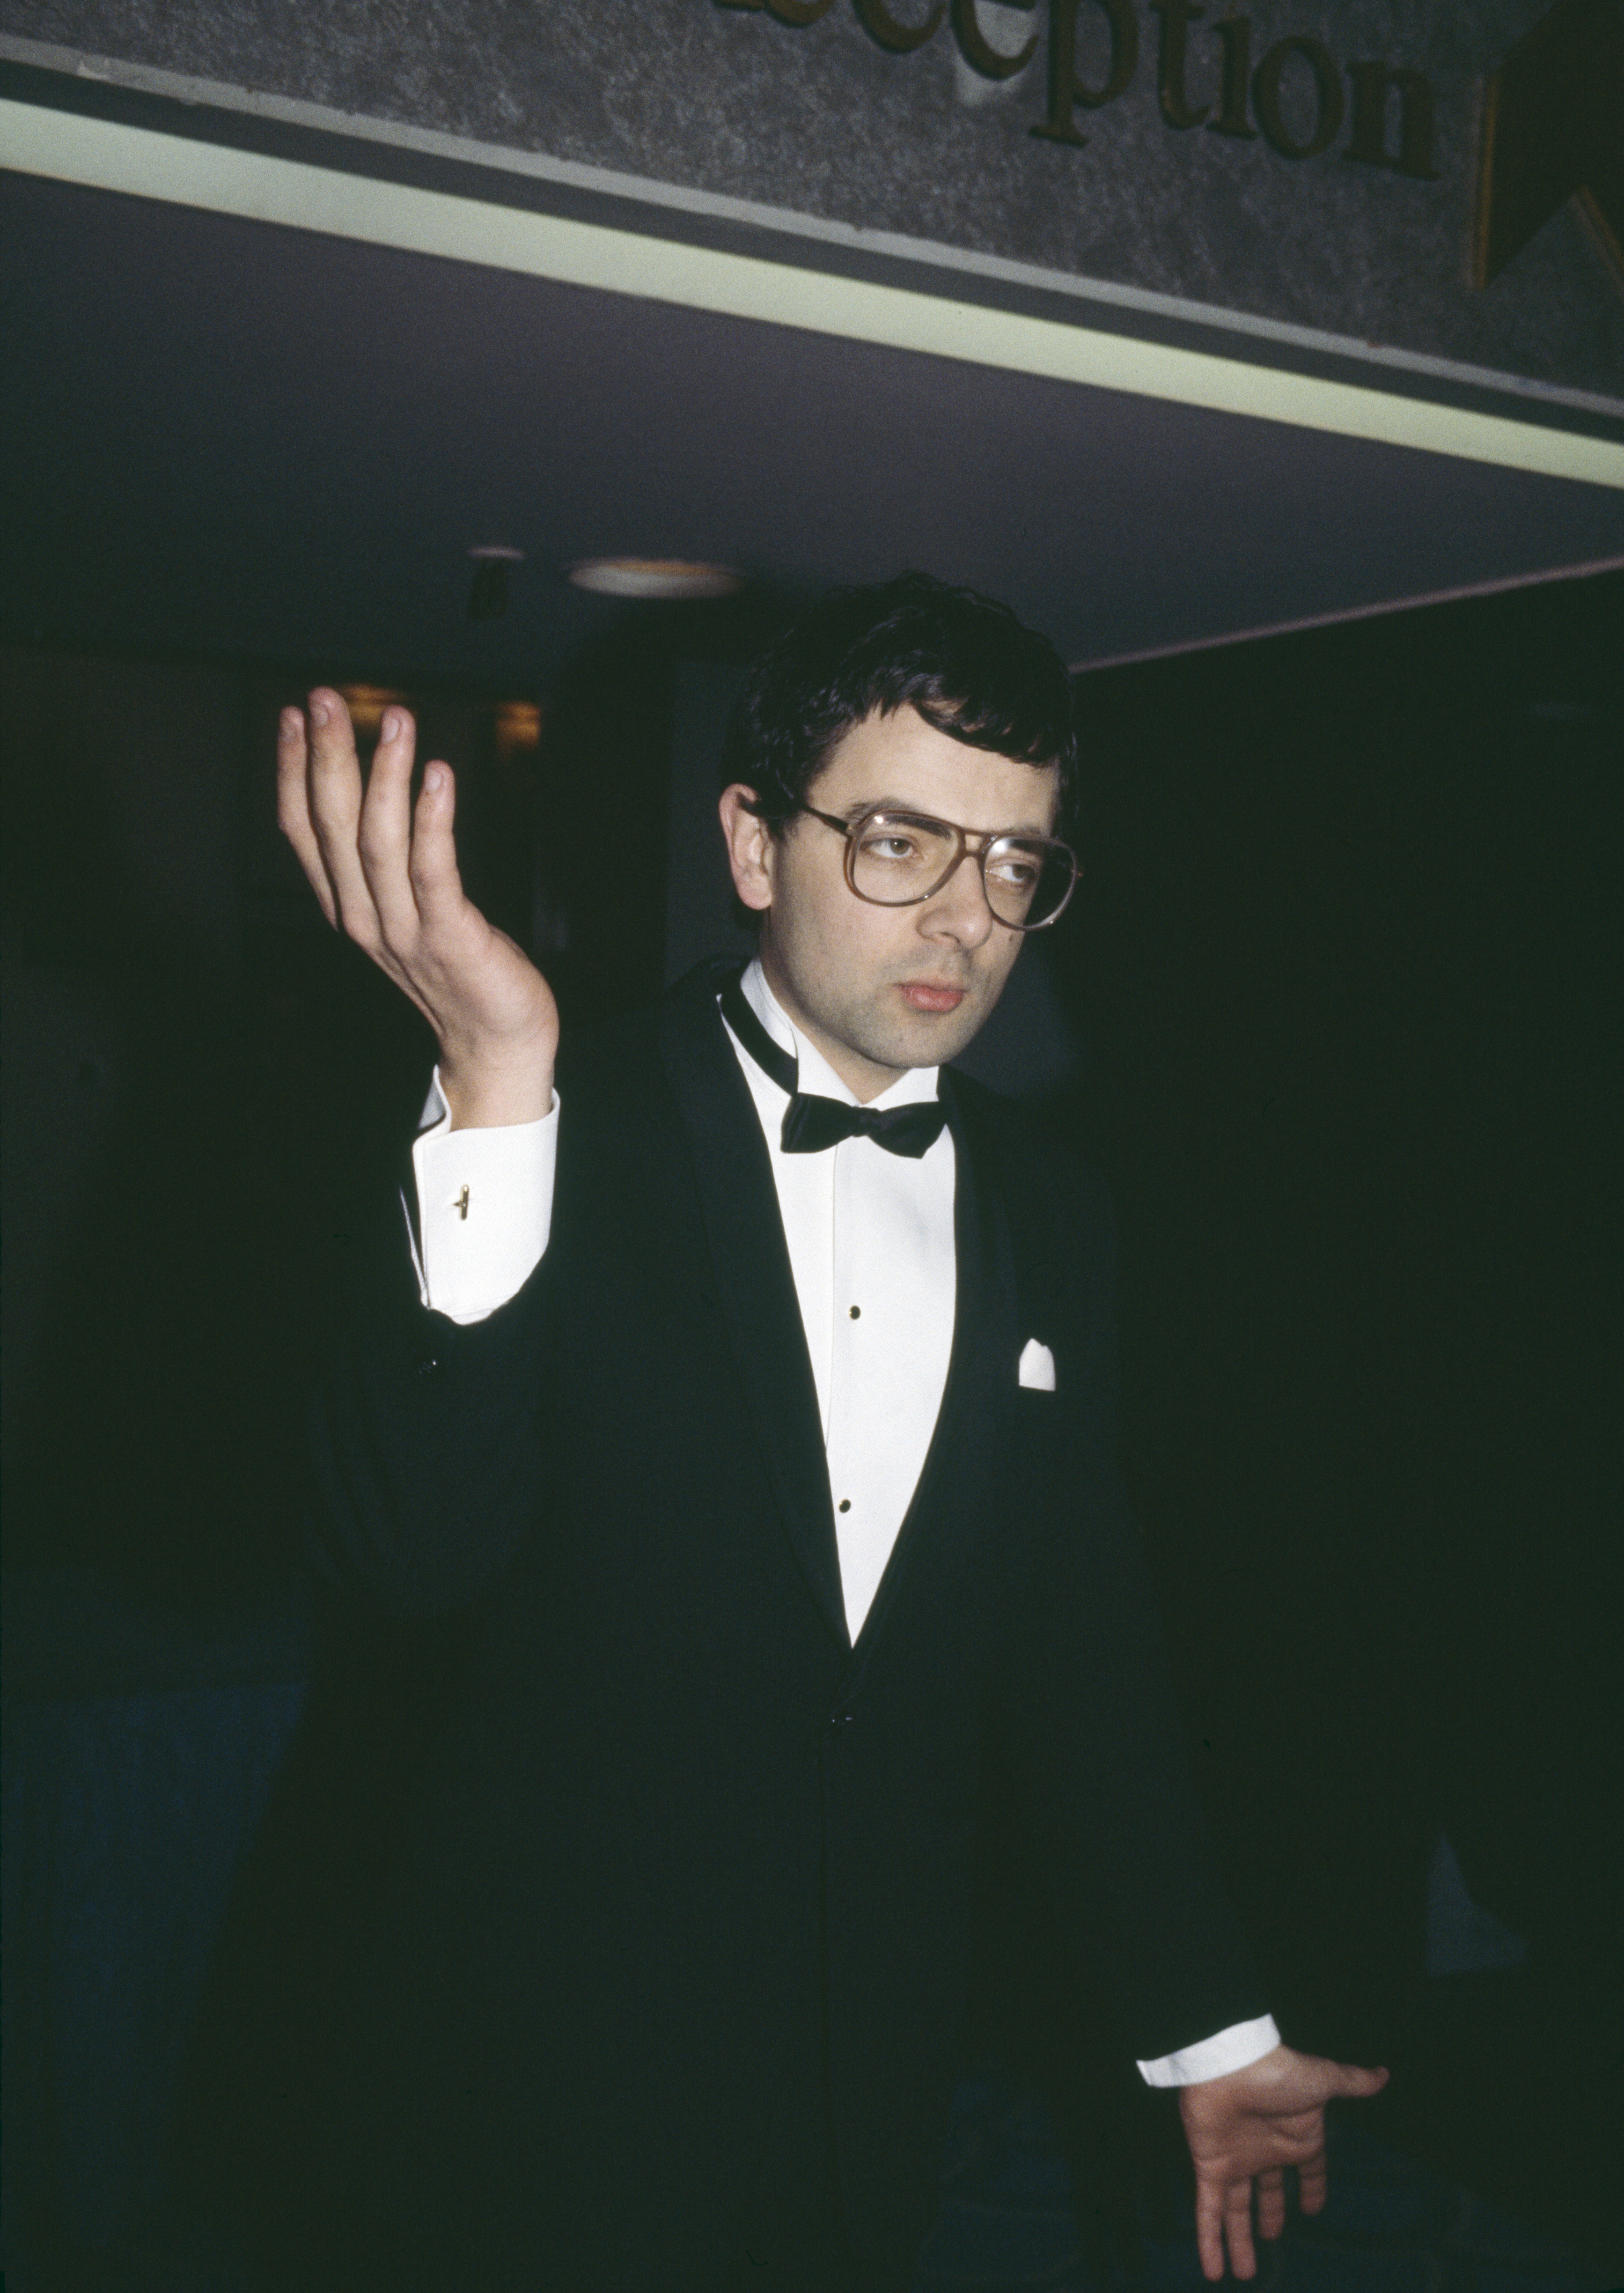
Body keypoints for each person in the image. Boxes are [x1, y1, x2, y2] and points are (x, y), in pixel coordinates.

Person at [274, 573, 1386, 2291]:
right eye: (899, 841)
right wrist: (499, 1081)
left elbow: (1077, 1639)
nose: (965, 919)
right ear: (750, 844)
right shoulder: (544, 1115)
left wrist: (1210, 2030)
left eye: (1015, 860)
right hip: (521, 2102)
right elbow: (407, 1559)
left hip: (861, 2116)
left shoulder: (1059, 1210)